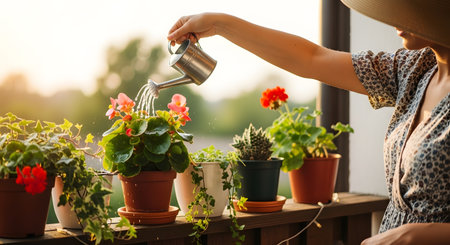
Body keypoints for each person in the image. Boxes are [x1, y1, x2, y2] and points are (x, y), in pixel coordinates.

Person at [167, 0, 449, 244]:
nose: (396, 15)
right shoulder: (414, 69)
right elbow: (312, 59)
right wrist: (219, 24)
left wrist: (419, 235)